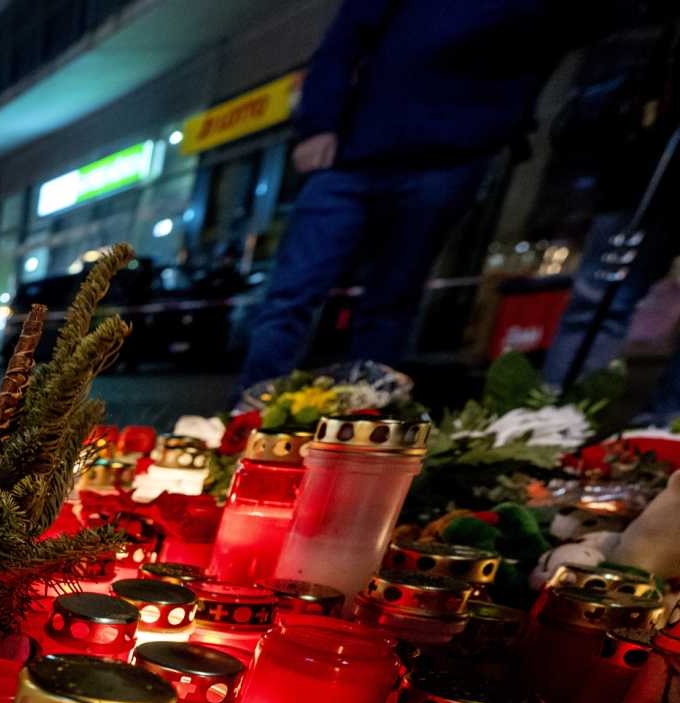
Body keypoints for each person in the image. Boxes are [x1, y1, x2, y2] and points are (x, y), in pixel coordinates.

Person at [239, 0, 572, 390]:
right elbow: (342, 42)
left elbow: (553, 42)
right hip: (355, 152)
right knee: (292, 293)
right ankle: (252, 411)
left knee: (393, 300)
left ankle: (367, 419)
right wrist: (319, 123)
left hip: (451, 157)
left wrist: (501, 128)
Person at [542, 23, 680, 424]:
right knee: (600, 299)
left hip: (642, 156)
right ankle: (551, 429)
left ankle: (663, 444)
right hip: (646, 157)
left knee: (600, 302)